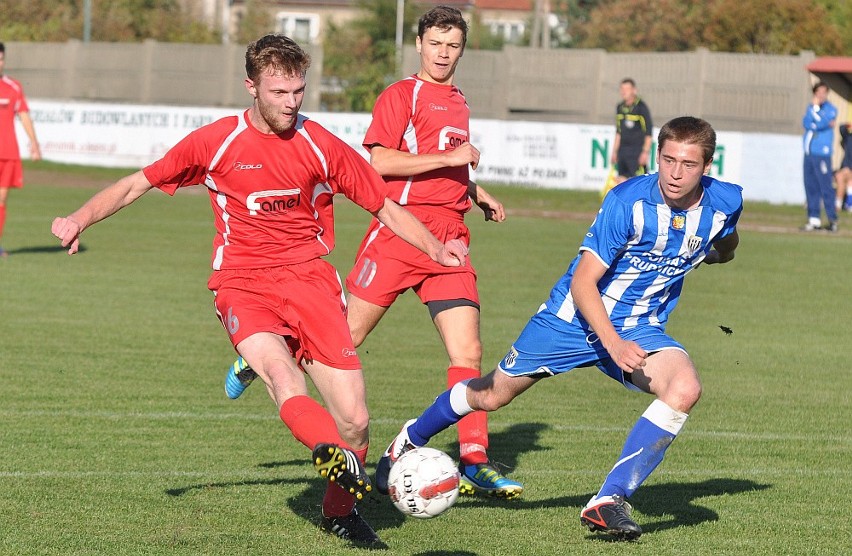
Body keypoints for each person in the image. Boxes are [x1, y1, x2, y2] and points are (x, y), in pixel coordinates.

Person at [51, 34, 469, 549]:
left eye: (299, 91)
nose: (291, 103)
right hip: (242, 284)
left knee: (357, 422)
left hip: (311, 283)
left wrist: (435, 249)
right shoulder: (217, 142)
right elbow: (139, 182)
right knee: (278, 372)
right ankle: (326, 450)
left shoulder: (321, 144)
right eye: (279, 92)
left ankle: (338, 511)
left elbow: (383, 205)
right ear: (251, 86)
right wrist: (79, 219)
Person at [375, 116, 742, 541]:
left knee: (685, 388)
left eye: (689, 164)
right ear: (657, 156)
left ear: (707, 167)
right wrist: (613, 343)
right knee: (492, 395)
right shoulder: (627, 202)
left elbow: (726, 238)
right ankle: (409, 437)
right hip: (570, 320)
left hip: (641, 325)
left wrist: (717, 255)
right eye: (668, 160)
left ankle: (609, 501)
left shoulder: (726, 201)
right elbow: (583, 283)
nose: (675, 174)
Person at [224, 6, 523, 499]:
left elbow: (445, 166)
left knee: (467, 352)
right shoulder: (401, 94)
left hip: (449, 239)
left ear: (462, 49)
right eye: (436, 44)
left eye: (453, 45)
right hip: (399, 235)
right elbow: (380, 162)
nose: (444, 53)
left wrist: (474, 190)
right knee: (341, 340)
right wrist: (451, 159)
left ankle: (474, 460)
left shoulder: (459, 100)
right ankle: (263, 355)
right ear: (420, 45)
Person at [0, 42, 42, 257]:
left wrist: (34, 143)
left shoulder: (13, 87)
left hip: (6, 153)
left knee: (1, 199)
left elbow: (24, 115)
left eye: (0, 59)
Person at [801, 81, 838, 232]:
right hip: (809, 153)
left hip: (822, 153)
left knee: (825, 186)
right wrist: (816, 120)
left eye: (824, 92)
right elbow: (806, 123)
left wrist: (815, 112)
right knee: (811, 186)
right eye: (818, 92)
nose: (821, 95)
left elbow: (823, 122)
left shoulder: (830, 109)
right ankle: (814, 219)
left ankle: (832, 219)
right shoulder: (810, 108)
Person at [611, 78, 653, 186]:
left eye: (627, 89)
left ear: (634, 90)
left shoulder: (641, 108)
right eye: (622, 89)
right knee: (621, 182)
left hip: (637, 151)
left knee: (639, 182)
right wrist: (615, 151)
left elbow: (648, 132)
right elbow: (618, 132)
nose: (623, 91)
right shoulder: (620, 107)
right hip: (623, 151)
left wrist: (645, 152)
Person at [835, 122, 852, 213]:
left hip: (849, 169)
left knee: (849, 180)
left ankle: (849, 204)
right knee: (840, 178)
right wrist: (848, 124)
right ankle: (838, 204)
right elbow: (841, 128)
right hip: (845, 168)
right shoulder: (848, 137)